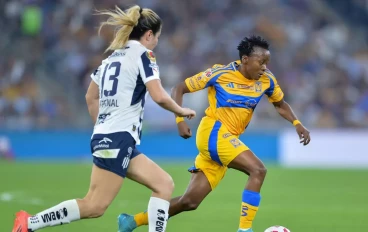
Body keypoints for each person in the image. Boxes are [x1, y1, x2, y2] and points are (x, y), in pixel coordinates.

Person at [11, 5, 196, 232]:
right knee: (94, 206)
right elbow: (158, 95)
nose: (156, 42)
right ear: (149, 35)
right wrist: (180, 110)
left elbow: (91, 97)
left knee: (163, 184)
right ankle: (28, 224)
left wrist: (103, 128)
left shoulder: (110, 59)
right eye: (156, 37)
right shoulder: (144, 55)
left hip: (111, 137)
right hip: (117, 139)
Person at [119, 35, 311, 232]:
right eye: (261, 62)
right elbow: (179, 88)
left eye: (267, 63)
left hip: (227, 140)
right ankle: (245, 230)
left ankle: (132, 221)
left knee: (190, 202)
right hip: (213, 132)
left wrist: (297, 123)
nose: (264, 67)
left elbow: (280, 104)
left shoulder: (266, 80)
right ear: (245, 59)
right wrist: (179, 119)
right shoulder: (220, 73)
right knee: (258, 170)